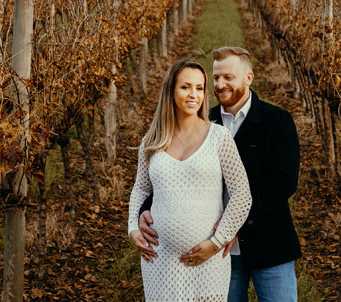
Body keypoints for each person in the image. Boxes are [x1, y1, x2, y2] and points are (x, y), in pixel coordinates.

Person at [136, 47, 301, 302]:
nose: (220, 84)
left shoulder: (276, 121)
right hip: (217, 255)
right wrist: (145, 209)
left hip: (268, 244)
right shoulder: (204, 121)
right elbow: (175, 173)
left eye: (228, 77)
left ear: (249, 78)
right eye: (215, 78)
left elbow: (283, 182)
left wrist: (233, 226)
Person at [127, 57, 253, 302]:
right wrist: (133, 228)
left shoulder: (219, 137)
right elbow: (140, 189)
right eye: (185, 87)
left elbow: (241, 194)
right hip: (159, 260)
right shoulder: (151, 142)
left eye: (199, 88)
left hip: (208, 260)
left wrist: (217, 241)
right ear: (171, 91)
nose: (194, 94)